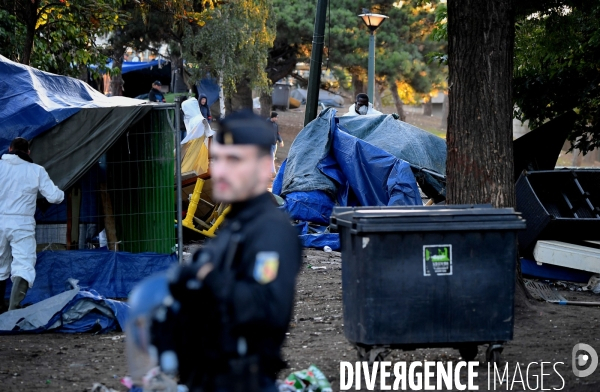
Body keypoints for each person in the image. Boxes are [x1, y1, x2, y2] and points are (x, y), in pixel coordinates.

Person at [168, 110, 302, 392]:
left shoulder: (271, 232)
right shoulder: (235, 222)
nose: (222, 170)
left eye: (235, 160)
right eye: (217, 159)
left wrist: (207, 278)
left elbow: (268, 309)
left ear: (265, 167)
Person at [0, 137, 64, 313]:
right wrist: (60, 194)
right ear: (28, 152)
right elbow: (54, 197)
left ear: (9, 149)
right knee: (23, 263)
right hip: (22, 223)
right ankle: (13, 309)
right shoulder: (36, 170)